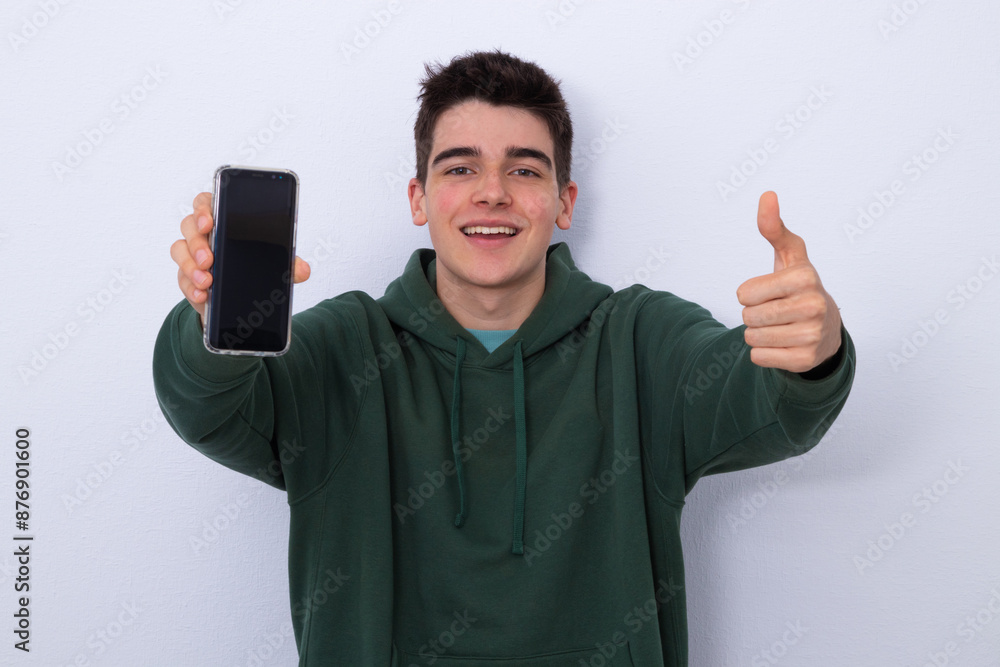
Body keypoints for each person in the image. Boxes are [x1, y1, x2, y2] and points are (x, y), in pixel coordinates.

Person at [153, 49, 855, 667]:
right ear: (419, 199)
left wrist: (813, 350)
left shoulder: (641, 340)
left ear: (564, 202)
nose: (492, 191)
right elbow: (210, 407)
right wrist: (212, 321)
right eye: (461, 167)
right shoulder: (342, 347)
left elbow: (762, 401)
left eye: (524, 168)